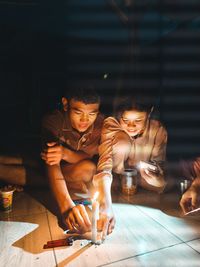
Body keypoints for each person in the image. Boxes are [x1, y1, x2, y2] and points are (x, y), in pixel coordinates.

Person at [40, 86, 115, 238]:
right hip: (47, 168)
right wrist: (67, 208)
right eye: (78, 112)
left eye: (92, 113)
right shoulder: (54, 121)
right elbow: (51, 162)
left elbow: (89, 158)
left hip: (73, 171)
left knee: (89, 168)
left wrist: (66, 154)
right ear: (65, 104)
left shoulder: (101, 124)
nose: (85, 120)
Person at [93, 95, 168, 200]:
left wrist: (158, 180)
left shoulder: (157, 129)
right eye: (125, 120)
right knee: (121, 143)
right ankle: (115, 183)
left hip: (141, 177)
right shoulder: (112, 124)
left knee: (167, 183)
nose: (131, 126)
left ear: (149, 113)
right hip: (114, 175)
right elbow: (105, 158)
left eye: (138, 121)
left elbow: (159, 163)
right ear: (120, 115)